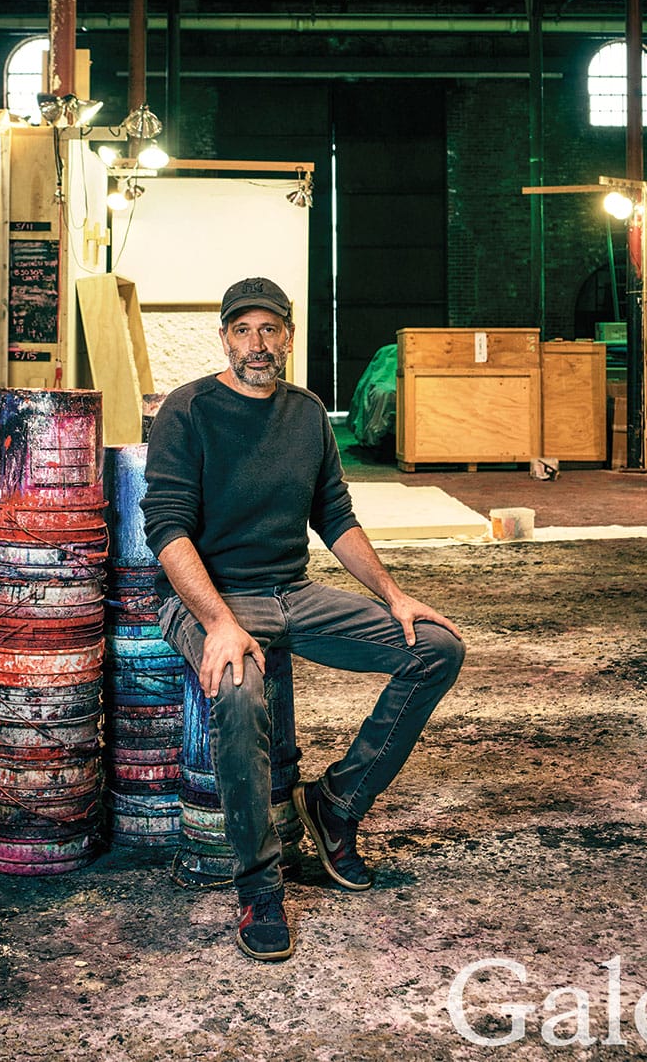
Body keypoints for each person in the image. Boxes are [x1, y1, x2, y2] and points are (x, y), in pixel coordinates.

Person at [142, 275, 465, 962]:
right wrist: (221, 623)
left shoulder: (307, 412)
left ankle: (337, 803)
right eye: (243, 330)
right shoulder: (187, 410)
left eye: (271, 330)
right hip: (209, 597)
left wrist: (393, 594)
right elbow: (167, 531)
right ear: (224, 337)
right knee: (237, 689)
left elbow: (335, 517)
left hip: (291, 591)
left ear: (288, 336)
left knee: (434, 647)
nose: (258, 345)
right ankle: (259, 887)